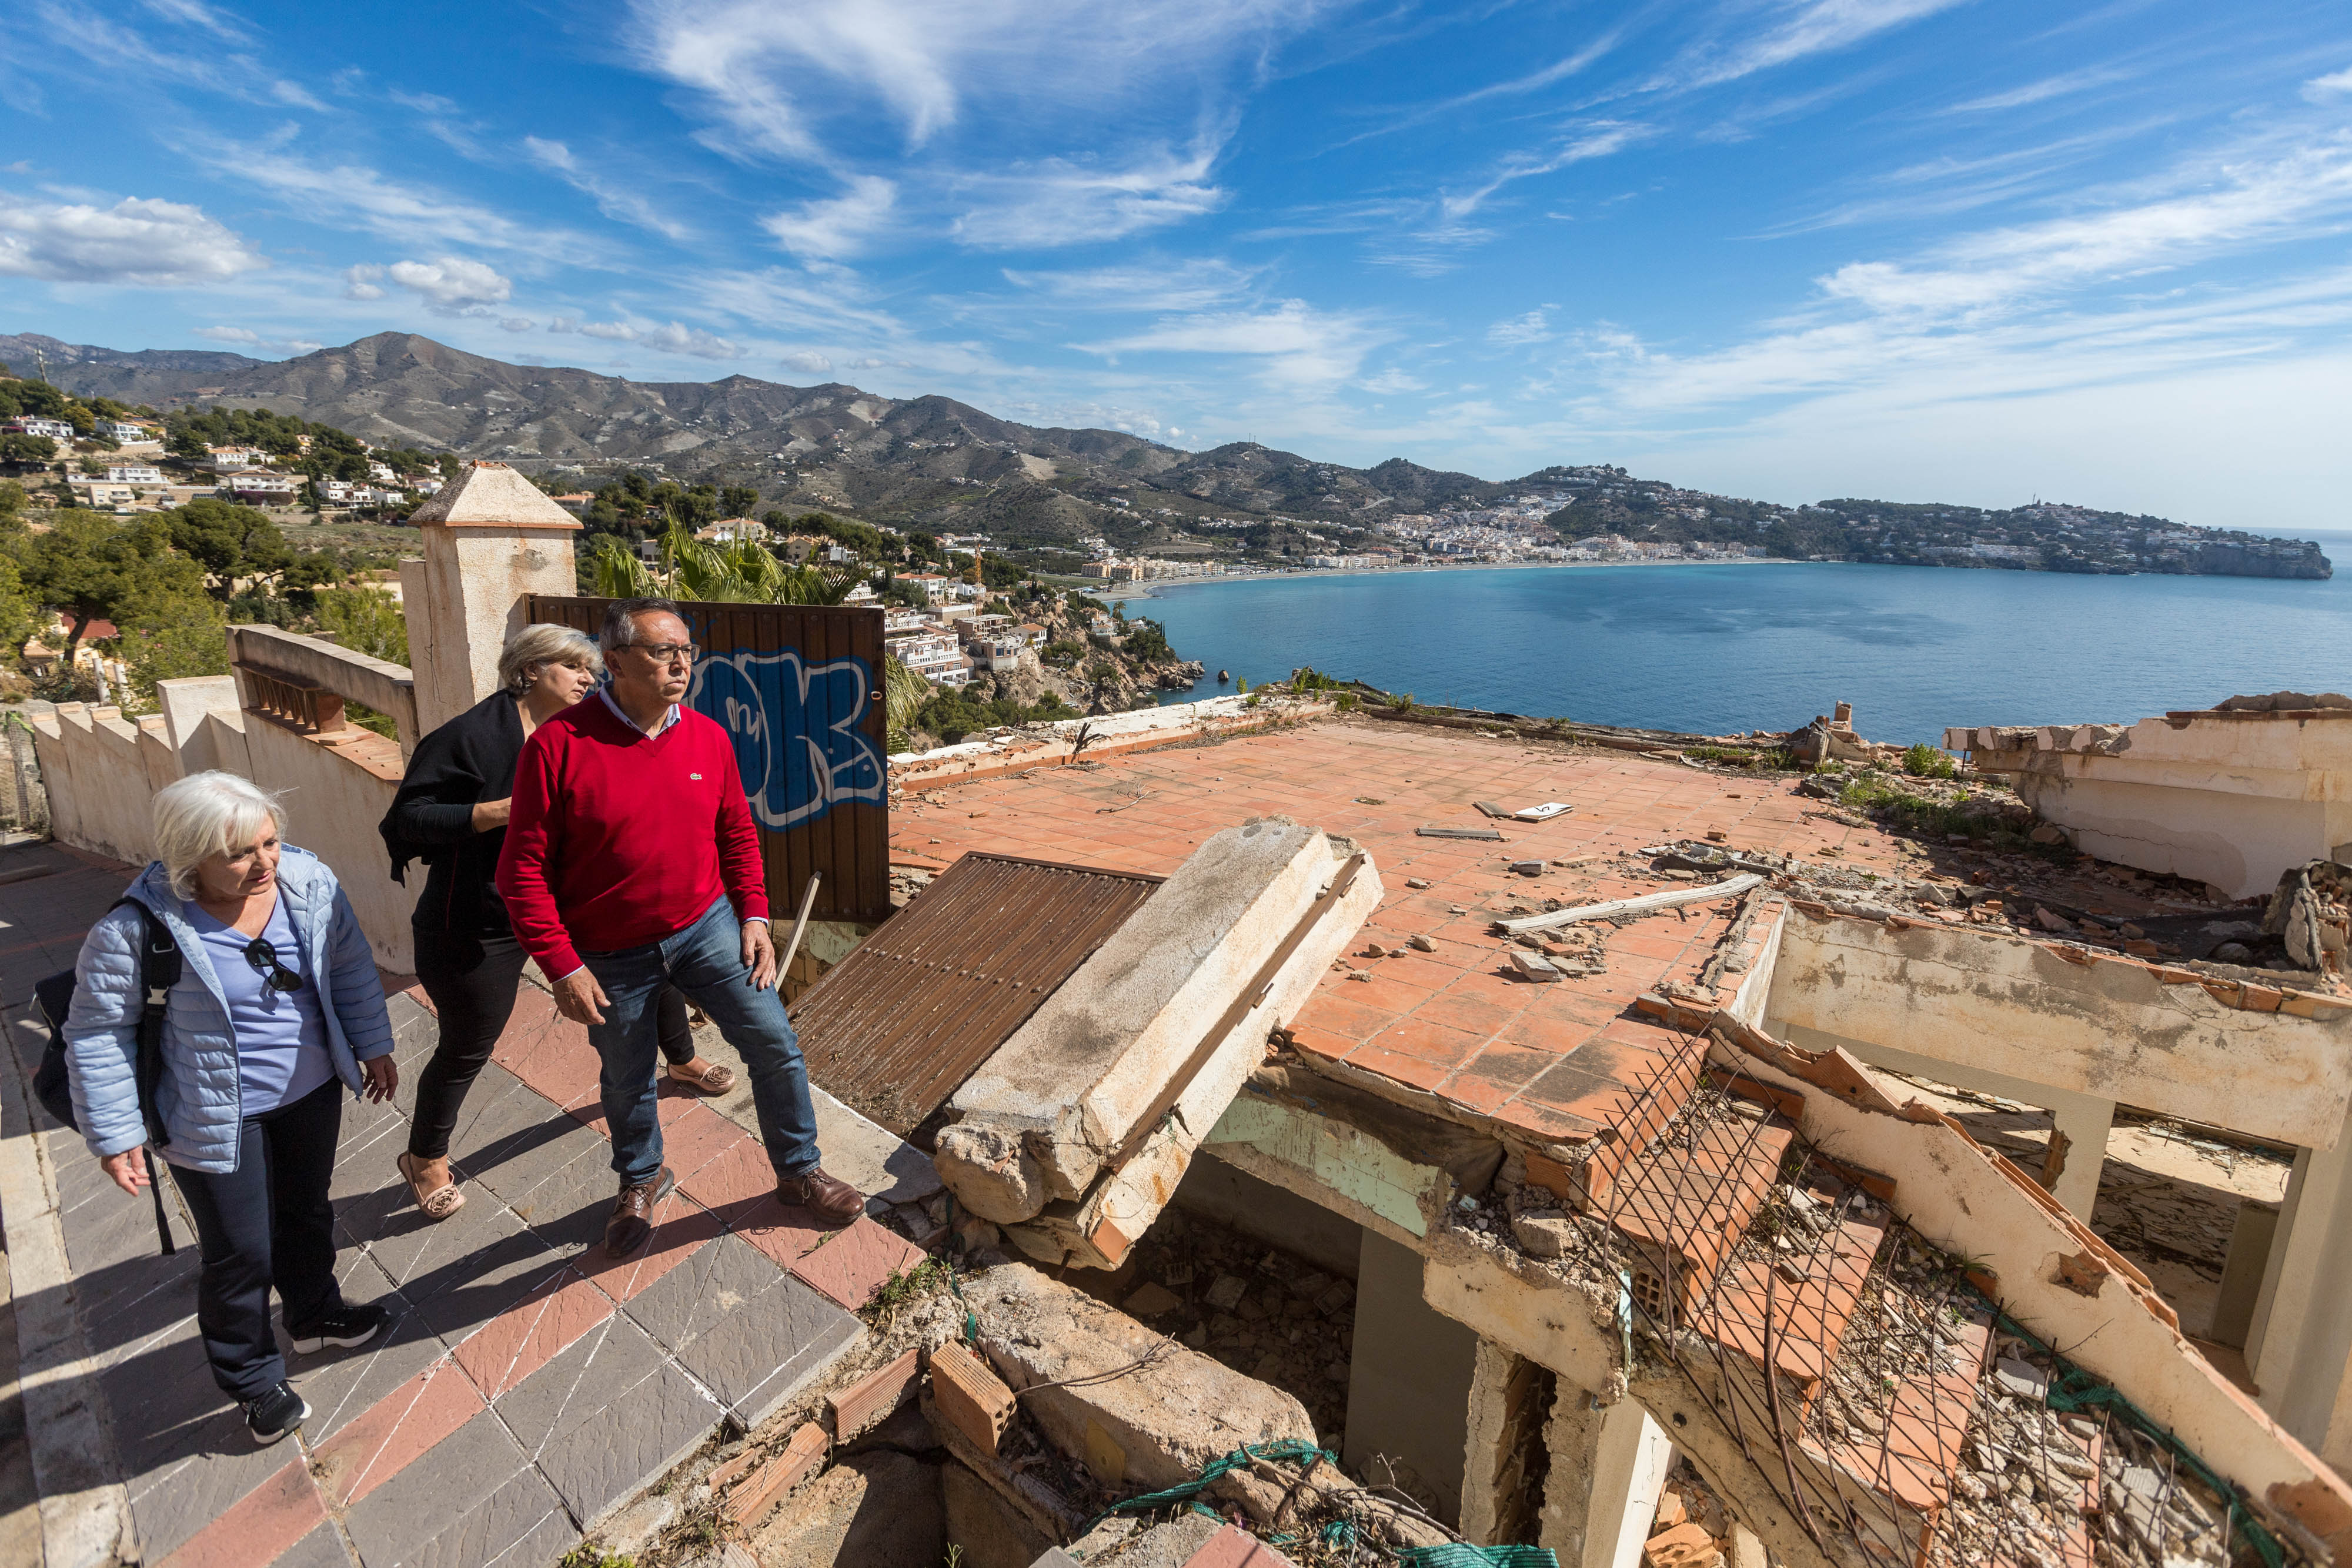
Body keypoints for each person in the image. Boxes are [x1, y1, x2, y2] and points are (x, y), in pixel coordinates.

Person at [497, 598, 863, 1257]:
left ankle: (798, 1172)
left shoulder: (705, 736)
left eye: (686, 650)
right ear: (614, 663)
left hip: (707, 928)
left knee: (774, 1043)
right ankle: (640, 1179)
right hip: (609, 952)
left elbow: (736, 834)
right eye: (662, 651)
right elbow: (520, 872)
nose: (681, 663)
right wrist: (561, 966)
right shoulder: (557, 747)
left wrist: (753, 914)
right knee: (626, 1076)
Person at [65, 772, 399, 1447]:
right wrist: (115, 1132)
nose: (264, 864)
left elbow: (349, 965)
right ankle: (250, 1378)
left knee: (307, 1212)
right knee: (241, 1252)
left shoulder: (307, 882)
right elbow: (96, 1032)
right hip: (212, 1115)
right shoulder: (136, 931)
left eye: (270, 843)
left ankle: (312, 1317)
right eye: (239, 854)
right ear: (190, 858)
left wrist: (372, 1042)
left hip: (310, 1092)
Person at [382, 624, 737, 1222]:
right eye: (572, 667)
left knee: (651, 969)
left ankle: (679, 1059)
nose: (588, 680)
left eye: (592, 670)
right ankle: (425, 1158)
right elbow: (406, 821)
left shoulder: (589, 732)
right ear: (528, 671)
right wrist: (495, 812)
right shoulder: (469, 738)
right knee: (470, 1042)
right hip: (479, 918)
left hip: (572, 901)